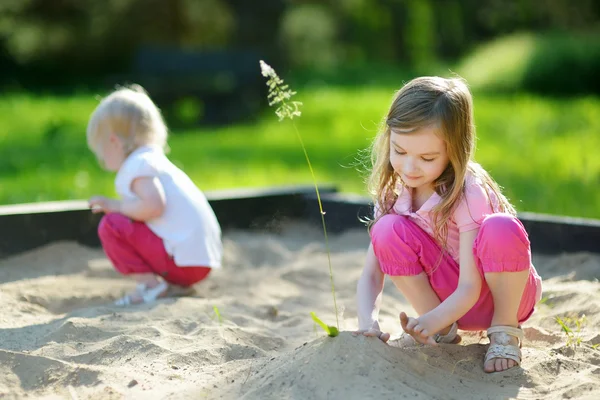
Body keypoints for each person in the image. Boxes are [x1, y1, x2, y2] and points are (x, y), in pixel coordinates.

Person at [354, 76, 542, 373]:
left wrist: (428, 321)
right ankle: (443, 333)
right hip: (445, 308)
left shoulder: (468, 191)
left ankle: (505, 331)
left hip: (500, 295)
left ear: (454, 151)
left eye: (427, 158)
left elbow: (470, 286)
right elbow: (370, 275)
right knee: (385, 229)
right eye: (399, 151)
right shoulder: (394, 193)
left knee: (501, 228)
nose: (409, 167)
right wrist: (368, 323)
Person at [86, 85, 222, 306]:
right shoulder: (155, 162)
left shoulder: (137, 165)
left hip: (184, 263)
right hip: (201, 261)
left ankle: (152, 286)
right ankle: (170, 285)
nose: (102, 161)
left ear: (114, 142)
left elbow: (153, 206)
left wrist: (116, 206)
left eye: (101, 154)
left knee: (110, 225)